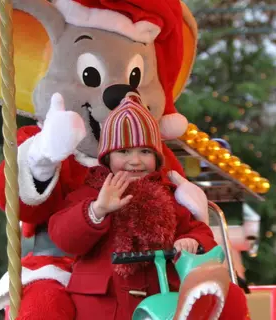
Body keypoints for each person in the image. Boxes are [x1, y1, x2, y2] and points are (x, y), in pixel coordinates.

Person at [48, 95, 224, 320]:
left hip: (160, 299)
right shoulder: (90, 193)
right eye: (124, 152)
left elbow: (201, 231)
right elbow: (64, 237)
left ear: (156, 157)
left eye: (145, 151)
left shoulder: (167, 195)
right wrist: (97, 210)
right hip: (102, 305)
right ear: (108, 158)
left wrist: (193, 241)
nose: (135, 161)